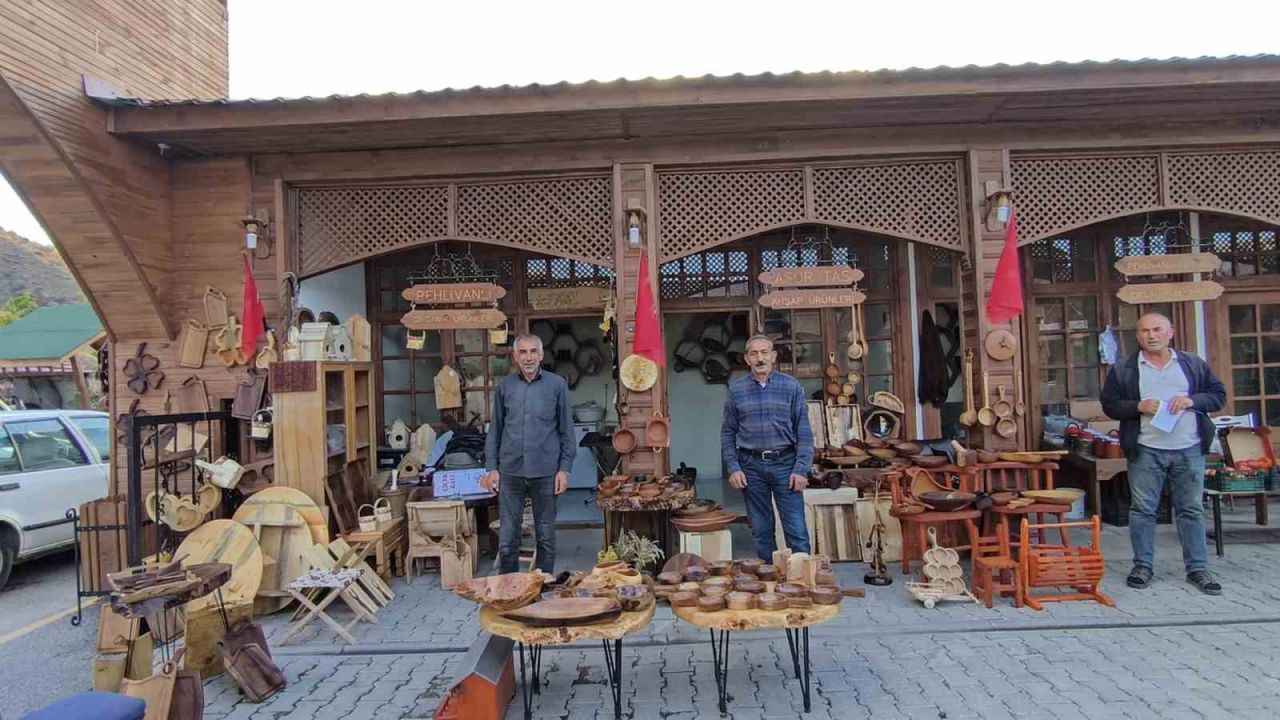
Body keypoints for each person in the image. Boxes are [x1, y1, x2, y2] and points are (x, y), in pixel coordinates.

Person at [1101, 312, 1226, 595]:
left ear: (1170, 333)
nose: (1151, 335)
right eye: (1144, 331)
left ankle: (1197, 568)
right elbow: (1110, 404)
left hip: (1189, 447)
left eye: (1157, 329)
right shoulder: (1126, 369)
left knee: (1191, 509)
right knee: (1143, 510)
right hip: (1146, 449)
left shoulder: (1191, 364)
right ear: (1138, 336)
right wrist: (1138, 406)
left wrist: (1192, 400)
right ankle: (1143, 566)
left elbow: (1218, 395)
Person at [481, 334, 575, 575]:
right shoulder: (505, 387)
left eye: (533, 351)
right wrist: (492, 468)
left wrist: (564, 469)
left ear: (541, 355)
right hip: (510, 471)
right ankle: (509, 591)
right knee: (508, 537)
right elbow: (496, 430)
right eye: (523, 352)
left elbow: (566, 430)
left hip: (546, 471)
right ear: (515, 357)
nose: (529, 357)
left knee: (545, 535)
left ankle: (542, 588)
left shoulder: (557, 386)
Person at [720, 334, 814, 560]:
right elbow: (727, 432)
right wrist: (734, 468)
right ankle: (771, 584)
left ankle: (800, 583)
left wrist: (801, 469)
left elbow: (804, 431)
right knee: (761, 530)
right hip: (751, 466)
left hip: (786, 465)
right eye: (754, 353)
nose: (760, 358)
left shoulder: (790, 387)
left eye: (764, 353)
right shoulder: (736, 390)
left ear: (773, 356)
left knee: (796, 530)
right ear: (746, 358)